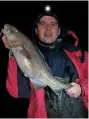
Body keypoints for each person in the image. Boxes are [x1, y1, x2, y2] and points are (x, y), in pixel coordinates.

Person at [1, 5, 88, 118]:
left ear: (59, 30)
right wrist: (15, 54)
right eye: (42, 23)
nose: (48, 28)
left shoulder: (81, 55)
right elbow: (16, 92)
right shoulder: (25, 50)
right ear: (36, 30)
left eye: (53, 24)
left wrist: (82, 89)